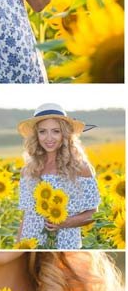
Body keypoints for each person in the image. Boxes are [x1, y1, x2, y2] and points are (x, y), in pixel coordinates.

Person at [17, 103, 101, 250]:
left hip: (65, 245)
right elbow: (26, 216)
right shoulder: (28, 170)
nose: (49, 138)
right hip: (30, 244)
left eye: (56, 131)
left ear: (65, 134)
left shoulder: (80, 168)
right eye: (42, 131)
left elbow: (93, 214)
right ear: (36, 135)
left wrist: (65, 222)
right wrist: (18, 246)